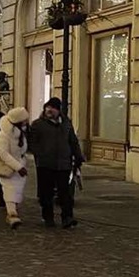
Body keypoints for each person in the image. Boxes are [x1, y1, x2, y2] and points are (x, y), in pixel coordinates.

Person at [27, 97, 85, 229]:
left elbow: (73, 141)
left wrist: (78, 156)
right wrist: (40, 153)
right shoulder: (38, 124)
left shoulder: (66, 124)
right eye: (47, 107)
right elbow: (32, 143)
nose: (49, 110)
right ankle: (48, 217)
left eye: (53, 108)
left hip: (63, 163)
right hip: (45, 164)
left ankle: (67, 217)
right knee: (46, 192)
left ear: (58, 110)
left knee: (65, 192)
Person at [0, 106, 31, 229]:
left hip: (20, 165)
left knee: (17, 190)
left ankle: (13, 211)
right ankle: (12, 214)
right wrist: (18, 167)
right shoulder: (4, 135)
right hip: (7, 167)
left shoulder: (21, 133)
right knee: (9, 189)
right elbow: (4, 153)